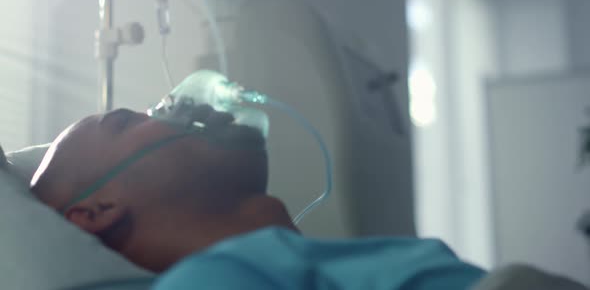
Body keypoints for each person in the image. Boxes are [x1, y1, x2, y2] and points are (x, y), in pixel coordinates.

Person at [31, 105, 485, 289]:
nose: (180, 107)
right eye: (130, 120)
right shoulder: (209, 281)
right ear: (97, 211)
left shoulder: (315, 263)